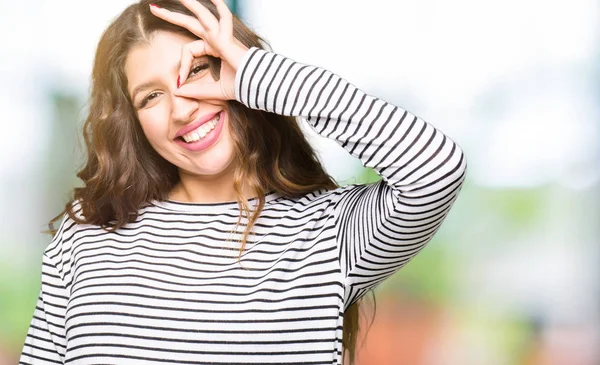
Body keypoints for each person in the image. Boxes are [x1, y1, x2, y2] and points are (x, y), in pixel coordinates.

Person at [18, 0, 467, 364]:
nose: (181, 109)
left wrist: (259, 73)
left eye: (196, 69)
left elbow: (437, 168)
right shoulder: (89, 234)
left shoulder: (329, 231)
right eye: (151, 96)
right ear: (133, 122)